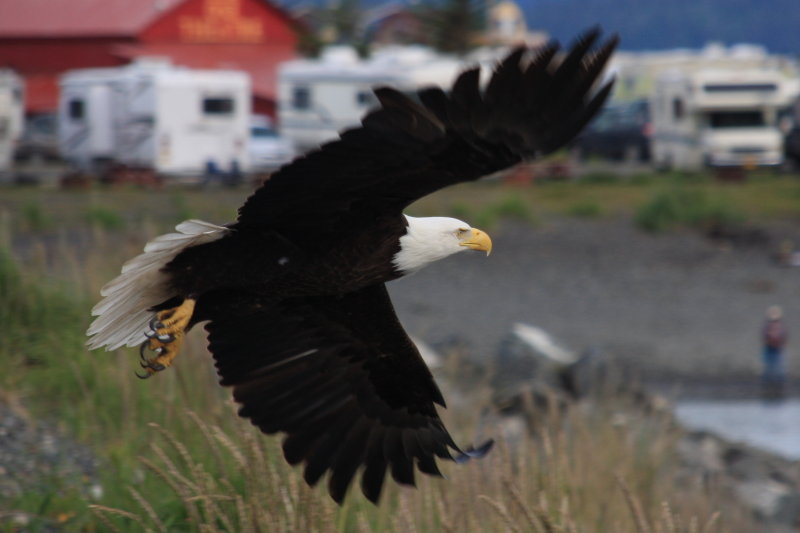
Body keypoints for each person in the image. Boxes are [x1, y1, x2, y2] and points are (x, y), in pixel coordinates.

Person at [761, 305, 788, 394]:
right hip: (770, 349)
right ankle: (769, 386)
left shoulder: (779, 326)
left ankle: (778, 386)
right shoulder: (769, 327)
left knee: (778, 368)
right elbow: (764, 337)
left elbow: (784, 337)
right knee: (770, 368)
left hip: (777, 350)